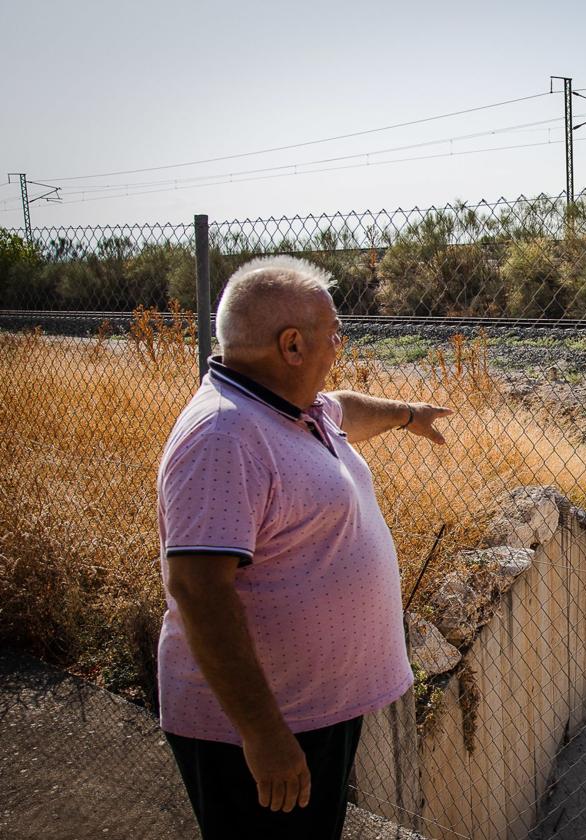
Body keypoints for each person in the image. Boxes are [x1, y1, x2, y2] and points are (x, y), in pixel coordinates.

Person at [155, 255, 452, 839]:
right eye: (333, 335)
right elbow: (198, 590)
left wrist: (408, 414)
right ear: (291, 345)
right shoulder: (224, 437)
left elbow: (347, 407)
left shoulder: (295, 409)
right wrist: (263, 734)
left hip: (309, 712)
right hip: (258, 728)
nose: (339, 347)